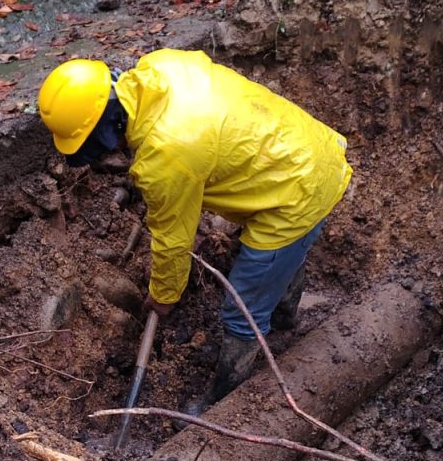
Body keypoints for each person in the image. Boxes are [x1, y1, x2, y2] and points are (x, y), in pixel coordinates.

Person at [38, 48, 353, 411]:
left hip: (295, 191)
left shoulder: (165, 158)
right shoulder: (159, 65)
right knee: (283, 260)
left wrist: (164, 296)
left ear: (101, 132)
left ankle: (226, 398)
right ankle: (283, 320)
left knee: (242, 310)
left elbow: (173, 242)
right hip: (304, 146)